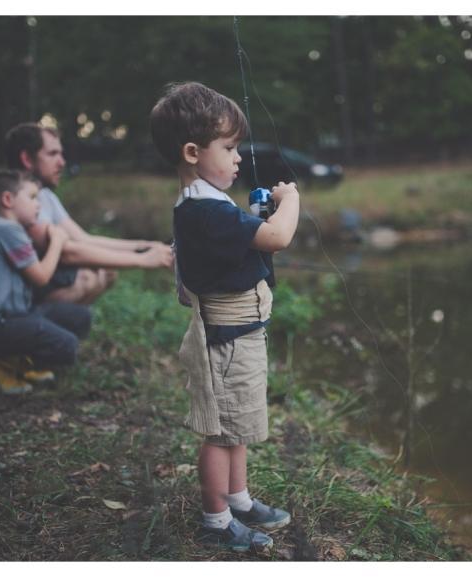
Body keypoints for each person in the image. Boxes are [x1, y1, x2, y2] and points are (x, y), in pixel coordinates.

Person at [150, 81, 300, 552]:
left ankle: (238, 498)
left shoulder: (208, 204)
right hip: (228, 339)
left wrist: (255, 213)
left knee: (237, 425)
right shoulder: (204, 210)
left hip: (242, 333)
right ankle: (216, 521)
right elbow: (276, 238)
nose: (238, 157)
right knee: (220, 433)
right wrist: (289, 201)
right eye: (230, 147)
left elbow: (239, 242)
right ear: (193, 151)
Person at [0, 122, 173, 317]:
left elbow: (83, 238)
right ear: (27, 159)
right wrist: (144, 261)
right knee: (86, 276)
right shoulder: (16, 200)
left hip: (2, 290)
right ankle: (23, 349)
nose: (62, 162)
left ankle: (42, 342)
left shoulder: (41, 194)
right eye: (52, 154)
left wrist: (143, 246)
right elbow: (67, 252)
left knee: (105, 271)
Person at [0, 169, 92, 395]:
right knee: (67, 346)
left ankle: (17, 359)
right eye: (32, 197)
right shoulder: (5, 230)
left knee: (81, 317)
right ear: (7, 200)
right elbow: (41, 277)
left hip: (13, 317)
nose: (38, 205)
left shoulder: (11, 230)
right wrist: (58, 241)